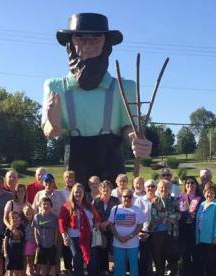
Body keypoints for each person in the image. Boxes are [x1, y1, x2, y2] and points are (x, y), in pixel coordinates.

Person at [41, 12, 152, 187]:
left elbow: (128, 127)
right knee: (77, 210)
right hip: (75, 162)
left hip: (111, 161)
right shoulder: (55, 86)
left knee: (113, 208)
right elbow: (49, 130)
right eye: (80, 38)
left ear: (106, 43)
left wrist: (136, 139)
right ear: (70, 43)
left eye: (95, 38)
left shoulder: (124, 88)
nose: (88, 44)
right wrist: (53, 125)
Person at [58, 183, 102, 276]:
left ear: (83, 194)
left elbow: (97, 217)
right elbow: (61, 221)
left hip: (89, 237)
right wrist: (64, 235)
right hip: (74, 237)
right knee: (77, 258)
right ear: (73, 193)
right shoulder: (67, 206)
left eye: (80, 192)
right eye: (76, 192)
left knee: (92, 259)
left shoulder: (89, 206)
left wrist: (96, 224)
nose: (78, 194)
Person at [32, 173, 67, 276]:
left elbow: (65, 209)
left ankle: (56, 273)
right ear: (43, 183)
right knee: (42, 252)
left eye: (50, 181)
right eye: (46, 182)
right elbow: (34, 210)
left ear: (53, 182)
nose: (48, 184)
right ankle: (44, 274)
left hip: (56, 227)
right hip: (42, 228)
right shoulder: (39, 194)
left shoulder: (59, 194)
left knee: (56, 250)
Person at [109, 189, 145, 276]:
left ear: (132, 198)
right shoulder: (115, 209)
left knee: (133, 261)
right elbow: (111, 224)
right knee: (119, 261)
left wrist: (130, 236)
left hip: (133, 243)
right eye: (125, 196)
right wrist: (118, 236)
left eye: (130, 197)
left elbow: (140, 225)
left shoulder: (137, 210)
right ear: (121, 197)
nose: (127, 199)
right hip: (118, 242)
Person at [149, 179, 180, 276]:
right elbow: (154, 217)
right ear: (158, 188)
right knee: (158, 258)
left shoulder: (174, 200)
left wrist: (163, 215)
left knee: (172, 258)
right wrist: (168, 217)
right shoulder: (155, 201)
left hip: (171, 233)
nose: (163, 189)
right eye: (161, 187)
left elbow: (177, 216)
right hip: (158, 233)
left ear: (169, 188)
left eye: (166, 187)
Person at [194, 183, 216, 276]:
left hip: (212, 239)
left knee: (213, 261)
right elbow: (198, 222)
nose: (209, 194)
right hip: (202, 238)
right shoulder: (202, 204)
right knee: (205, 261)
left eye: (211, 193)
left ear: (215, 194)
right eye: (207, 192)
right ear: (204, 193)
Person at [177, 176, 203, 276]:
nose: (190, 185)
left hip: (196, 230)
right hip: (183, 230)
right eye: (187, 183)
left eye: (192, 183)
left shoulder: (200, 198)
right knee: (185, 255)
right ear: (185, 185)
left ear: (196, 185)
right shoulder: (180, 197)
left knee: (197, 255)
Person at [93, 180, 120, 276]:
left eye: (107, 189)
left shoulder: (116, 200)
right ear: (100, 190)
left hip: (112, 228)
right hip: (100, 228)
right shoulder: (96, 201)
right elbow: (93, 215)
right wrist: (100, 224)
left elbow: (118, 215)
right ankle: (103, 270)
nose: (105, 190)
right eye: (103, 188)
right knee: (101, 249)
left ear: (111, 190)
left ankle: (118, 270)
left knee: (114, 249)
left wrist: (107, 223)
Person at [133, 179, 156, 276]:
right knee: (143, 256)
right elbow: (136, 217)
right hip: (144, 231)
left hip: (157, 232)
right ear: (145, 188)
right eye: (148, 187)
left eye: (152, 186)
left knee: (157, 255)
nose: (150, 188)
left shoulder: (159, 200)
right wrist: (139, 232)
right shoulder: (140, 200)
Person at [33, 197, 59, 276]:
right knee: (43, 264)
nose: (46, 206)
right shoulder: (37, 217)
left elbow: (56, 231)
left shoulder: (54, 217)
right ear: (40, 206)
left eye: (48, 204)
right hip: (41, 244)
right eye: (44, 204)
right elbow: (35, 230)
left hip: (51, 244)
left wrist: (54, 243)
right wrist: (38, 242)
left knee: (52, 264)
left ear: (51, 206)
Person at [4, 211, 25, 276]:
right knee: (10, 268)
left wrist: (17, 231)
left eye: (16, 217)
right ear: (10, 220)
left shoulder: (21, 228)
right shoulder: (8, 229)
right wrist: (5, 252)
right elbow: (5, 241)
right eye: (12, 218)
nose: (15, 219)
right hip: (11, 252)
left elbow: (22, 237)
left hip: (19, 251)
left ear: (19, 219)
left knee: (20, 268)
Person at [22, 205, 41, 276]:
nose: (28, 215)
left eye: (30, 213)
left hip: (34, 243)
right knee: (28, 261)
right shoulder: (22, 223)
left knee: (32, 261)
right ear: (24, 214)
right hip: (27, 243)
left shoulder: (35, 221)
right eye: (26, 214)